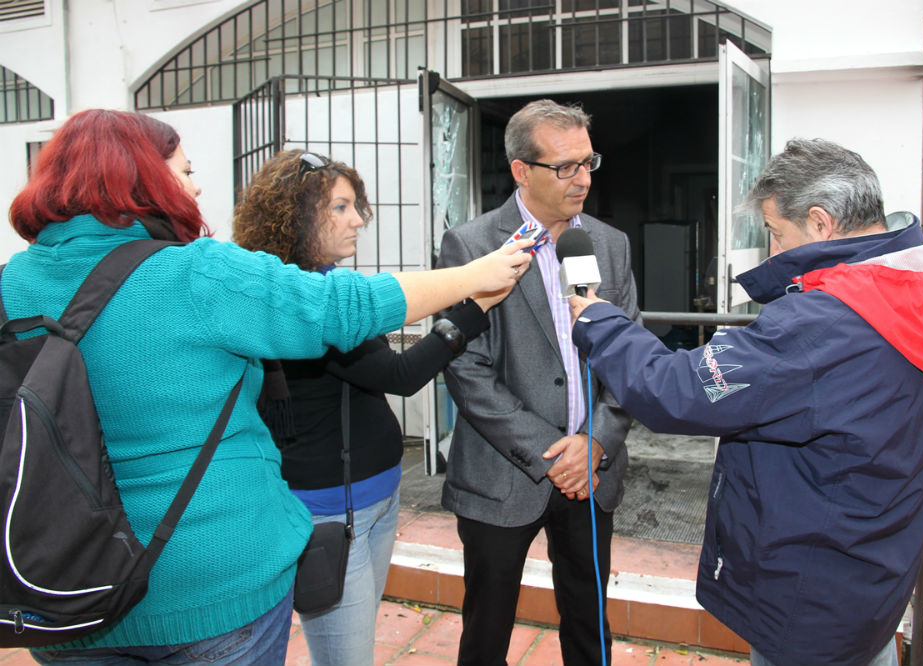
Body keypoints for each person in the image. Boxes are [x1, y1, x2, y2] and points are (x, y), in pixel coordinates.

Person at [4, 108, 531, 666]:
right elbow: (343, 311)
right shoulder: (196, 272)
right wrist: (479, 274)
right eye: (184, 171)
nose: (197, 183)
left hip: (67, 584)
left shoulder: (12, 283)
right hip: (212, 588)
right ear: (141, 179)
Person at [568, 138, 923, 666]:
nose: (771, 252)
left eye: (774, 234)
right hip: (872, 577)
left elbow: (675, 391)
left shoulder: (826, 324)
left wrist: (599, 320)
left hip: (809, 594)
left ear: (820, 223)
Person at [231, 150, 508, 666]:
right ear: (296, 215)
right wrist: (474, 311)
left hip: (377, 495)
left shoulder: (329, 285)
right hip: (331, 511)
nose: (358, 219)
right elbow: (399, 376)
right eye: (341, 207)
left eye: (356, 206)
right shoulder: (300, 303)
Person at [435, 99, 640, 666]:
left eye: (589, 162)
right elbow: (464, 366)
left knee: (587, 623)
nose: (583, 178)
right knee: (487, 630)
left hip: (591, 473)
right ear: (522, 170)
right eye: (566, 166)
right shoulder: (471, 245)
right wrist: (552, 453)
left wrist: (595, 442)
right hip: (503, 476)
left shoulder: (608, 243)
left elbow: (631, 356)